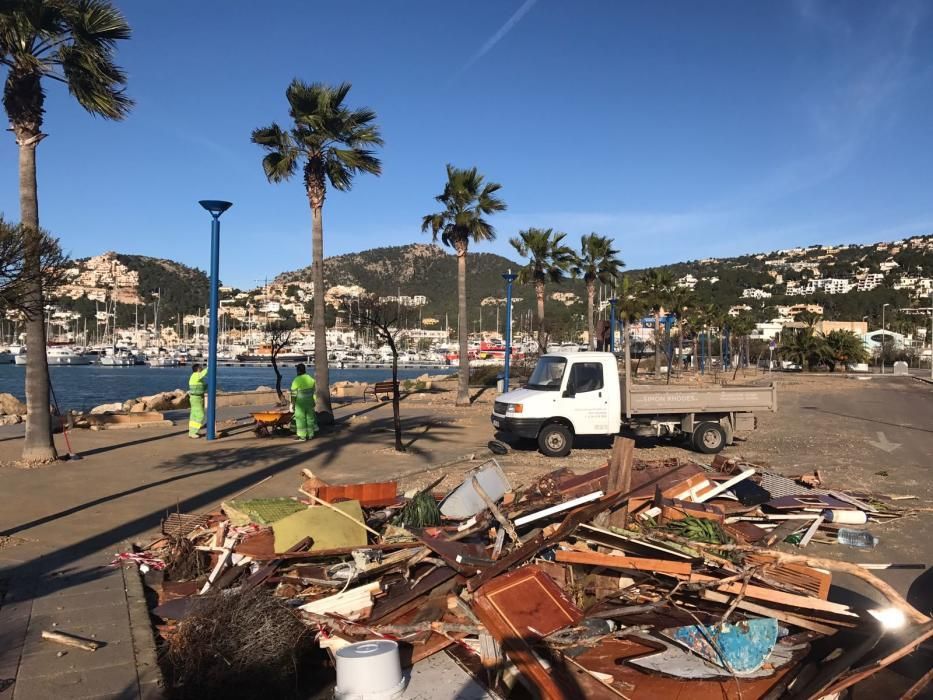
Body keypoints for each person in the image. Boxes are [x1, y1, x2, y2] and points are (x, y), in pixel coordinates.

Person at [290, 363, 317, 442]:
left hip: (300, 403)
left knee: (300, 419)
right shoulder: (311, 379)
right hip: (310, 402)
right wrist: (314, 401)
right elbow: (314, 392)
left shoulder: (296, 380)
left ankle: (302, 437)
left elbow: (293, 394)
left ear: (298, 370)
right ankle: (311, 434)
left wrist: (293, 403)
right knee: (310, 418)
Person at [188, 363, 208, 438]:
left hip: (196, 398)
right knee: (200, 415)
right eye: (201, 367)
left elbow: (200, 387)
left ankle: (192, 432)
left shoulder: (195, 377)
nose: (202, 368)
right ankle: (193, 432)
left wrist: (207, 386)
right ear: (198, 369)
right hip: (196, 398)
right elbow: (203, 374)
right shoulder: (196, 375)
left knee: (194, 416)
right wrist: (209, 368)